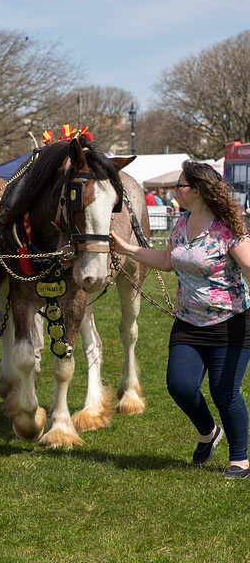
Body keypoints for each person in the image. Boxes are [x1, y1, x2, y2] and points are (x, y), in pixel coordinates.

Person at [109, 160, 250, 480]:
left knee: (224, 390)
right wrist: (128, 248)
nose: (175, 191)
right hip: (189, 323)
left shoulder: (229, 227)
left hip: (231, 322)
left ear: (197, 191)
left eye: (180, 186)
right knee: (180, 386)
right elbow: (167, 261)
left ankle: (240, 460)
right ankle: (209, 432)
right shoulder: (181, 224)